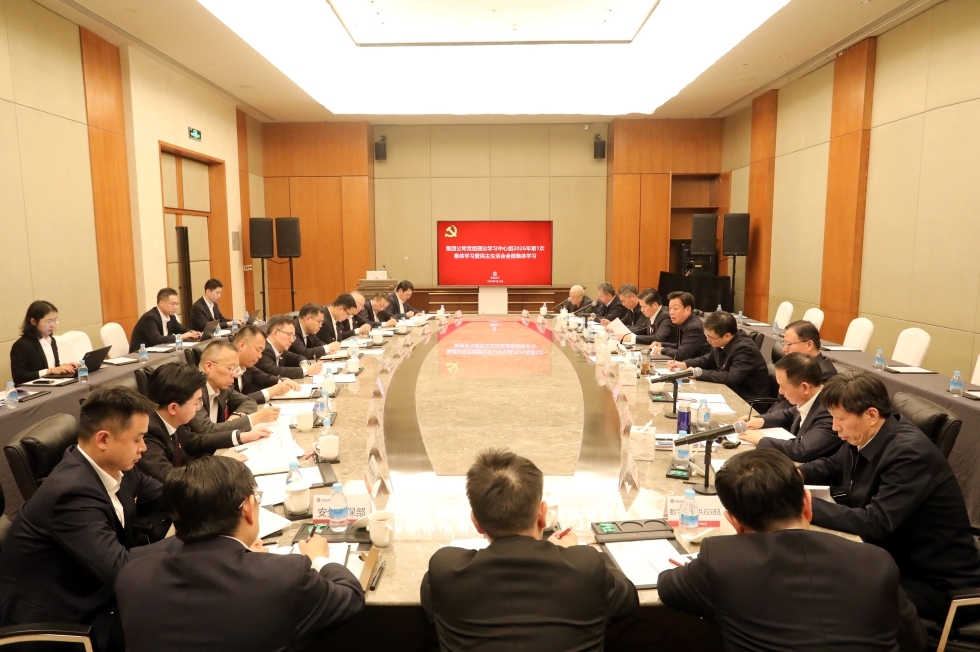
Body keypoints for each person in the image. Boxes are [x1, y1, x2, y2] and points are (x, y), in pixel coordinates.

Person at [658, 449, 927, 652]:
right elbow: (915, 642)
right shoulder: (876, 561)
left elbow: (667, 587)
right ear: (807, 504)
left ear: (734, 522)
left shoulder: (721, 560)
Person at [115, 456, 365, 652]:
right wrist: (320, 558)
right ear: (247, 507)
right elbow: (350, 597)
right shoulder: (286, 574)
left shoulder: (132, 576)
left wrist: (245, 555)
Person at [0, 386, 176, 652]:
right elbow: (120, 567)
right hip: (62, 619)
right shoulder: (71, 493)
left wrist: (214, 493)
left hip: (93, 587)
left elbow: (166, 494)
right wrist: (191, 540)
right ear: (103, 439)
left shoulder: (118, 467)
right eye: (138, 439)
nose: (144, 448)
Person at [800, 371, 980, 621]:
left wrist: (803, 504)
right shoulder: (868, 433)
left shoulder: (909, 454)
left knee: (828, 583)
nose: (834, 427)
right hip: (893, 557)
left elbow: (875, 522)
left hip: (935, 583)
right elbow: (833, 466)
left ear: (871, 415)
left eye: (840, 418)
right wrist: (793, 475)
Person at [421, 449, 637, 651]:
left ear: (476, 521)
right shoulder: (586, 568)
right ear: (542, 514)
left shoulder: (445, 569)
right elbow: (628, 599)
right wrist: (573, 553)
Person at [738, 353, 841, 462]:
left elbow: (802, 450)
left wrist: (761, 439)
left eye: (782, 386)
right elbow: (789, 414)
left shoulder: (830, 412)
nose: (780, 392)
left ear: (804, 387)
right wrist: (761, 421)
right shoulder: (812, 399)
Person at [668, 311, 769, 402]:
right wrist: (684, 364)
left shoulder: (745, 349)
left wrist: (699, 373)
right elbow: (707, 359)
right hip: (729, 393)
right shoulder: (723, 341)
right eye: (706, 335)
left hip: (747, 401)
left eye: (710, 337)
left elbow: (732, 377)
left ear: (727, 336)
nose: (707, 340)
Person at [188, 340, 278, 439]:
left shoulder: (221, 386)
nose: (235, 375)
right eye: (231, 368)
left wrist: (237, 416)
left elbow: (248, 401)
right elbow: (206, 431)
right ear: (209, 366)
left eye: (236, 369)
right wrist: (254, 418)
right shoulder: (191, 389)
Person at [768, 319, 840, 414]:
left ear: (809, 345)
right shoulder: (794, 365)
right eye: (783, 343)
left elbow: (797, 412)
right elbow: (780, 401)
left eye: (789, 344)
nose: (784, 349)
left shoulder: (824, 374)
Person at [10, 299, 77, 383]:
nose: (53, 325)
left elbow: (53, 367)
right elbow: (19, 377)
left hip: (53, 384)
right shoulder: (21, 345)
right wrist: (50, 371)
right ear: (33, 321)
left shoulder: (51, 340)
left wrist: (65, 367)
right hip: (34, 388)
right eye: (49, 322)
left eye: (54, 320)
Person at [231, 325, 300, 403]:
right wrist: (270, 391)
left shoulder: (247, 365)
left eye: (261, 352)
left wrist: (282, 381)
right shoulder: (226, 367)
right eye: (258, 350)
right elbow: (232, 401)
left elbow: (264, 378)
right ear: (242, 345)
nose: (260, 356)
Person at [129, 288, 201, 353]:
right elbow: (157, 339)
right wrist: (181, 336)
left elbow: (183, 330)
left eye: (177, 304)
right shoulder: (150, 318)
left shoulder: (171, 317)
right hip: (141, 355)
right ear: (161, 303)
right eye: (173, 304)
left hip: (160, 351)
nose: (175, 307)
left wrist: (193, 333)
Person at [257, 315, 324, 380]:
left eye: (293, 336)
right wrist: (307, 370)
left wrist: (304, 363)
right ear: (275, 333)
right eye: (289, 335)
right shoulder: (263, 349)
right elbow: (276, 371)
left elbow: (298, 357)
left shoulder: (281, 350)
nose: (292, 340)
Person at [652, 291, 711, 360]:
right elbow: (681, 346)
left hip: (701, 365)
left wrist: (662, 350)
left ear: (688, 309)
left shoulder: (694, 327)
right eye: (670, 308)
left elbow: (681, 354)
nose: (671, 312)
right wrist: (662, 344)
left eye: (675, 308)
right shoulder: (683, 322)